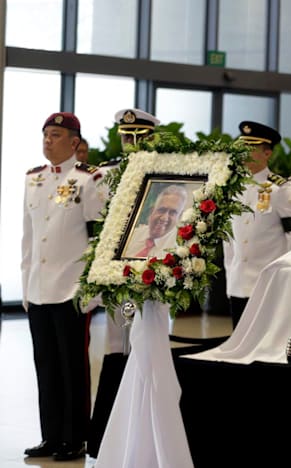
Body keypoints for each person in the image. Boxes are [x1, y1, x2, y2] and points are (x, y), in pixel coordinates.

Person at [22, 112, 104, 461]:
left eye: (56, 135)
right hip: (39, 289)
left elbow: (98, 238)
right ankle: (51, 436)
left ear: (74, 142)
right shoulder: (34, 179)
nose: (48, 140)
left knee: (73, 367)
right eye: (45, 134)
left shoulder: (89, 179)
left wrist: (91, 290)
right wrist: (26, 287)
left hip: (71, 289)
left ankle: (76, 438)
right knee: (46, 365)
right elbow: (28, 238)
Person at [87, 108, 160, 459]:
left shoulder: (164, 174)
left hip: (152, 271)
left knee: (148, 344)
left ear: (152, 138)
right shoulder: (108, 175)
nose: (131, 142)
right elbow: (98, 227)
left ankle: (147, 425)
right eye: (126, 136)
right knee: (115, 347)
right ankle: (107, 430)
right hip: (117, 273)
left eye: (138, 137)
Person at [224, 121, 291, 328]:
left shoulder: (280, 189)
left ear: (267, 153)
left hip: (267, 282)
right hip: (238, 282)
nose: (244, 154)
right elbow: (228, 237)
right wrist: (230, 275)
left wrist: (286, 275)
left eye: (251, 148)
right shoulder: (233, 187)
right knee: (239, 339)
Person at [123, 184, 189, 258]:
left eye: (172, 213)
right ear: (152, 211)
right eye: (162, 210)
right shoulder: (133, 235)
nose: (164, 218)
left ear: (179, 217)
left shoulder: (180, 249)